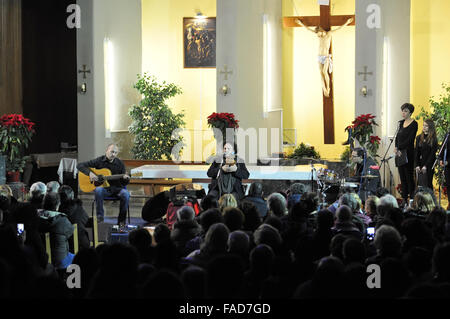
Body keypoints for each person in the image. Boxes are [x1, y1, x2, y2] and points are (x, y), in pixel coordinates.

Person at [295, 17, 354, 97]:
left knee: (324, 72)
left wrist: (347, 22)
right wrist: (300, 23)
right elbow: (308, 30)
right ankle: (324, 88)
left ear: (321, 31)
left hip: (326, 57)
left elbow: (339, 29)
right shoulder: (319, 35)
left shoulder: (329, 34)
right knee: (320, 73)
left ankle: (328, 87)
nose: (318, 36)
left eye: (318, 34)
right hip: (319, 57)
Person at [77, 143, 130, 225]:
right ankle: (100, 217)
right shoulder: (99, 161)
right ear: (106, 151)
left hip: (116, 189)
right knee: (98, 190)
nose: (113, 154)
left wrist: (126, 179)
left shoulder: (120, 164)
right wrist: (90, 174)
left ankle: (121, 221)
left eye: (115, 153)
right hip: (104, 190)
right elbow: (80, 165)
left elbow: (123, 183)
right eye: (112, 152)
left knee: (126, 194)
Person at [395, 103, 418, 204]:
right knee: (402, 177)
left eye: (405, 111)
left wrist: (400, 148)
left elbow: (410, 139)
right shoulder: (400, 123)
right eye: (402, 111)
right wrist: (396, 148)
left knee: (409, 177)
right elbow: (397, 137)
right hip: (399, 153)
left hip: (408, 153)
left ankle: (412, 199)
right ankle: (404, 199)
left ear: (410, 113)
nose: (403, 113)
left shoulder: (414, 124)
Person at [415, 119, 438, 190]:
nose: (424, 127)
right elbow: (416, 153)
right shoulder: (419, 137)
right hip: (420, 163)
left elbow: (432, 154)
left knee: (428, 184)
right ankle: (421, 200)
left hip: (429, 164)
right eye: (423, 125)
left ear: (430, 127)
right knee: (420, 185)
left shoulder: (433, 139)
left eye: (426, 126)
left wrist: (426, 166)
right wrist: (417, 165)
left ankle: (430, 200)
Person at [438, 131, 450, 210]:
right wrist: (441, 159)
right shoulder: (448, 134)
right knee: (449, 185)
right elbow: (443, 147)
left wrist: (448, 161)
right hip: (448, 167)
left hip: (448, 162)